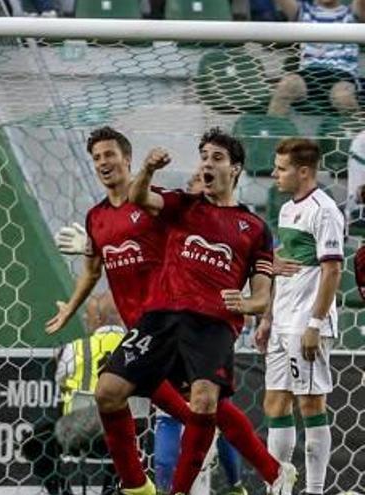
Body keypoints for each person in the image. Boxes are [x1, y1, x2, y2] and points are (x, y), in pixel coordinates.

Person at [47, 127, 287, 495]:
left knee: (206, 407)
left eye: (109, 154)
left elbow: (258, 286)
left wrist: (256, 303)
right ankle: (155, 484)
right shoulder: (109, 216)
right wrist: (77, 290)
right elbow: (96, 268)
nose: (102, 162)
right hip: (152, 324)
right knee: (136, 398)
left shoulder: (232, 223)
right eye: (96, 157)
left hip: (198, 321)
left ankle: (252, 478)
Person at [255, 138, 343, 495]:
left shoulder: (324, 210)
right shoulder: (288, 208)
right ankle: (278, 489)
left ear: (303, 171)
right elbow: (283, 268)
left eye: (282, 168)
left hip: (307, 324)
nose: (275, 174)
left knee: (310, 404)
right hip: (282, 322)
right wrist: (266, 318)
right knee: (275, 403)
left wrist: (315, 324)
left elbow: (333, 270)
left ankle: (316, 490)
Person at [153, 168, 247, 495]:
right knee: (172, 416)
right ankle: (168, 488)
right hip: (169, 327)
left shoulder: (240, 226)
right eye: (194, 180)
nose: (199, 182)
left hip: (211, 333)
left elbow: (260, 269)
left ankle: (235, 485)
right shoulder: (177, 220)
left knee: (210, 411)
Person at [25, 292, 125, 495]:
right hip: (127, 436)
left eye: (87, 316)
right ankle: (112, 487)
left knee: (35, 443)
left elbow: (61, 381)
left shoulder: (73, 349)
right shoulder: (138, 347)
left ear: (99, 319)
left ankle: (61, 491)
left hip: (79, 435)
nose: (85, 320)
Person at [268, 0, 364, 116]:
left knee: (342, 97)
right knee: (287, 85)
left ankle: (357, 131)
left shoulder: (352, 12)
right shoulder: (303, 11)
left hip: (342, 75)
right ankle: (273, 130)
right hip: (309, 73)